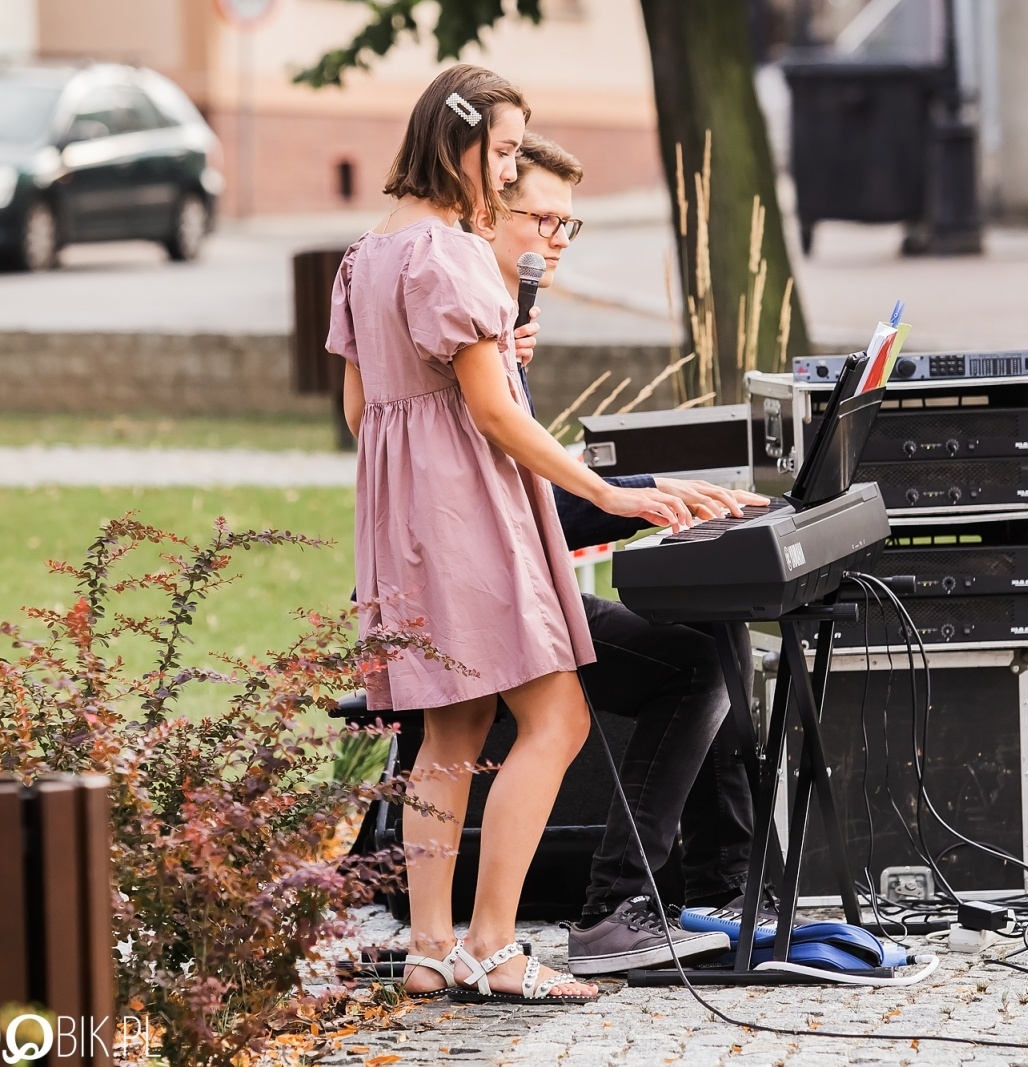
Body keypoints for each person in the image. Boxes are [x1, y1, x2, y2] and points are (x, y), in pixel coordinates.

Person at [328, 65, 695, 1004]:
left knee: (450, 729)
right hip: (468, 515)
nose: (503, 174)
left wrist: (467, 365)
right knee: (558, 715)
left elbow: (361, 406)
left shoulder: (366, 255)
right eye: (497, 153)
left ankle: (429, 946)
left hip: (401, 518)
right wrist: (608, 496)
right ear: (453, 142)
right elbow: (494, 415)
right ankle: (496, 946)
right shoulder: (449, 254)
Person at [471, 132, 767, 975]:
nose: (556, 241)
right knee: (691, 664)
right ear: (487, 214)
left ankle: (725, 887)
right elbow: (527, 518)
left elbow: (533, 502)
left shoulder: (502, 335)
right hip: (495, 600)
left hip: (525, 584)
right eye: (544, 220)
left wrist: (659, 494)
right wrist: (641, 499)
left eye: (571, 225)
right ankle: (613, 909)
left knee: (711, 637)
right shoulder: (473, 340)